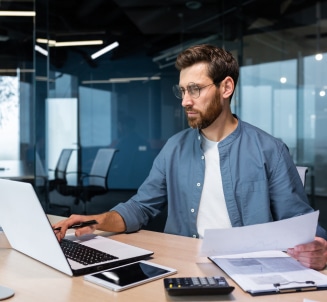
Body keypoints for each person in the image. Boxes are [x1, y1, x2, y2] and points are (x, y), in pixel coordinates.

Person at [53, 44, 327, 270]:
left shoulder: (270, 149)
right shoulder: (174, 147)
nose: (185, 101)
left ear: (226, 88)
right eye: (183, 91)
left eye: (195, 89)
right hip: (181, 264)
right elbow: (140, 207)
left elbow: (300, 223)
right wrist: (93, 220)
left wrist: (318, 247)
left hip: (250, 269)